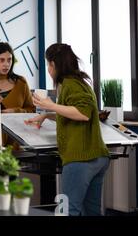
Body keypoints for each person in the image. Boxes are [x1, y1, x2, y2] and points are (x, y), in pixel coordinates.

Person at [25, 43, 110, 216]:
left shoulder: (71, 84)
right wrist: (46, 115)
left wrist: (51, 105)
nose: (48, 69)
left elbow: (83, 113)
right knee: (92, 211)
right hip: (96, 157)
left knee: (67, 211)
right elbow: (73, 112)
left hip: (80, 159)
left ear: (54, 64)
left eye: (48, 64)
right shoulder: (79, 82)